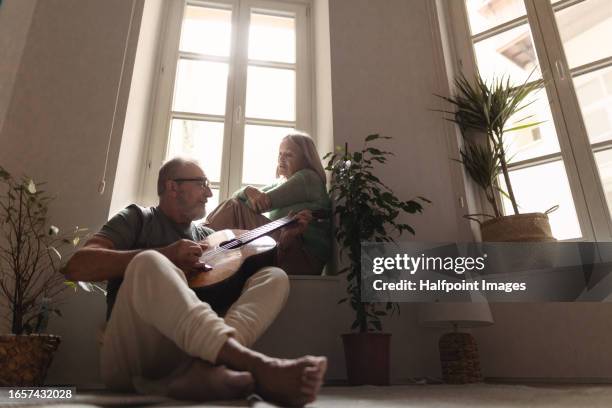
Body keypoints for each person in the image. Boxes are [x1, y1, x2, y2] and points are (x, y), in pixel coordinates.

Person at [64, 158, 327, 406]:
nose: (210, 194)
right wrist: (166, 254)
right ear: (173, 187)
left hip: (190, 356)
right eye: (202, 183)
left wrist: (285, 243)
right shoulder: (137, 219)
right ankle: (256, 366)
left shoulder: (210, 236)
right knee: (150, 262)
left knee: (274, 277)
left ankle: (207, 368)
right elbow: (77, 266)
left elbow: (243, 285)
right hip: (134, 356)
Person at [205, 133, 331, 275]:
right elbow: (239, 198)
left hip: (304, 258)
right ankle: (202, 247)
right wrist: (247, 191)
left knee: (234, 207)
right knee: (234, 206)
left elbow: (260, 203)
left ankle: (199, 245)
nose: (281, 159)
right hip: (287, 248)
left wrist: (248, 192)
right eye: (280, 154)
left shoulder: (308, 178)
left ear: (306, 159)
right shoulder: (281, 182)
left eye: (289, 155)